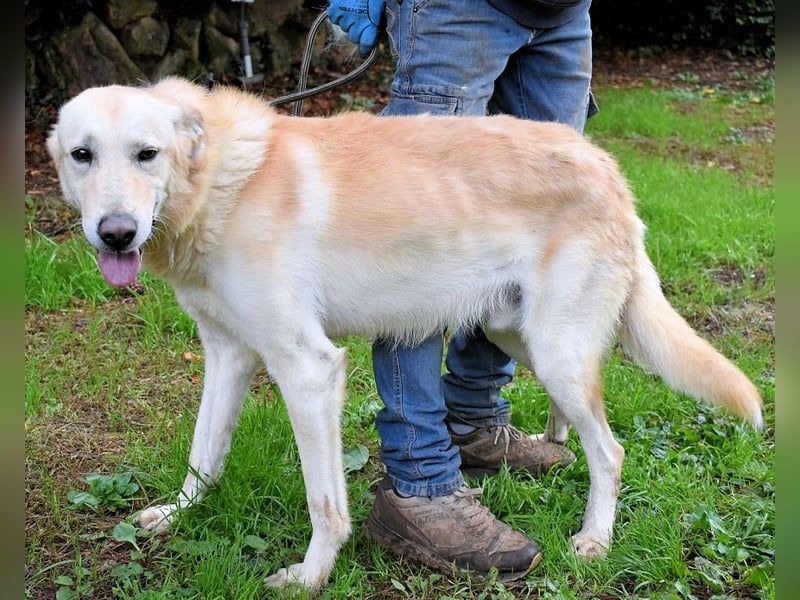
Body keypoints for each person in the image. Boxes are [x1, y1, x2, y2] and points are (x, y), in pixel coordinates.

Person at [327, 0, 597, 581]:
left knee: (526, 216)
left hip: (563, 12)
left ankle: (473, 418)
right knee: (417, 231)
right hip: (457, 11)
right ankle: (419, 481)